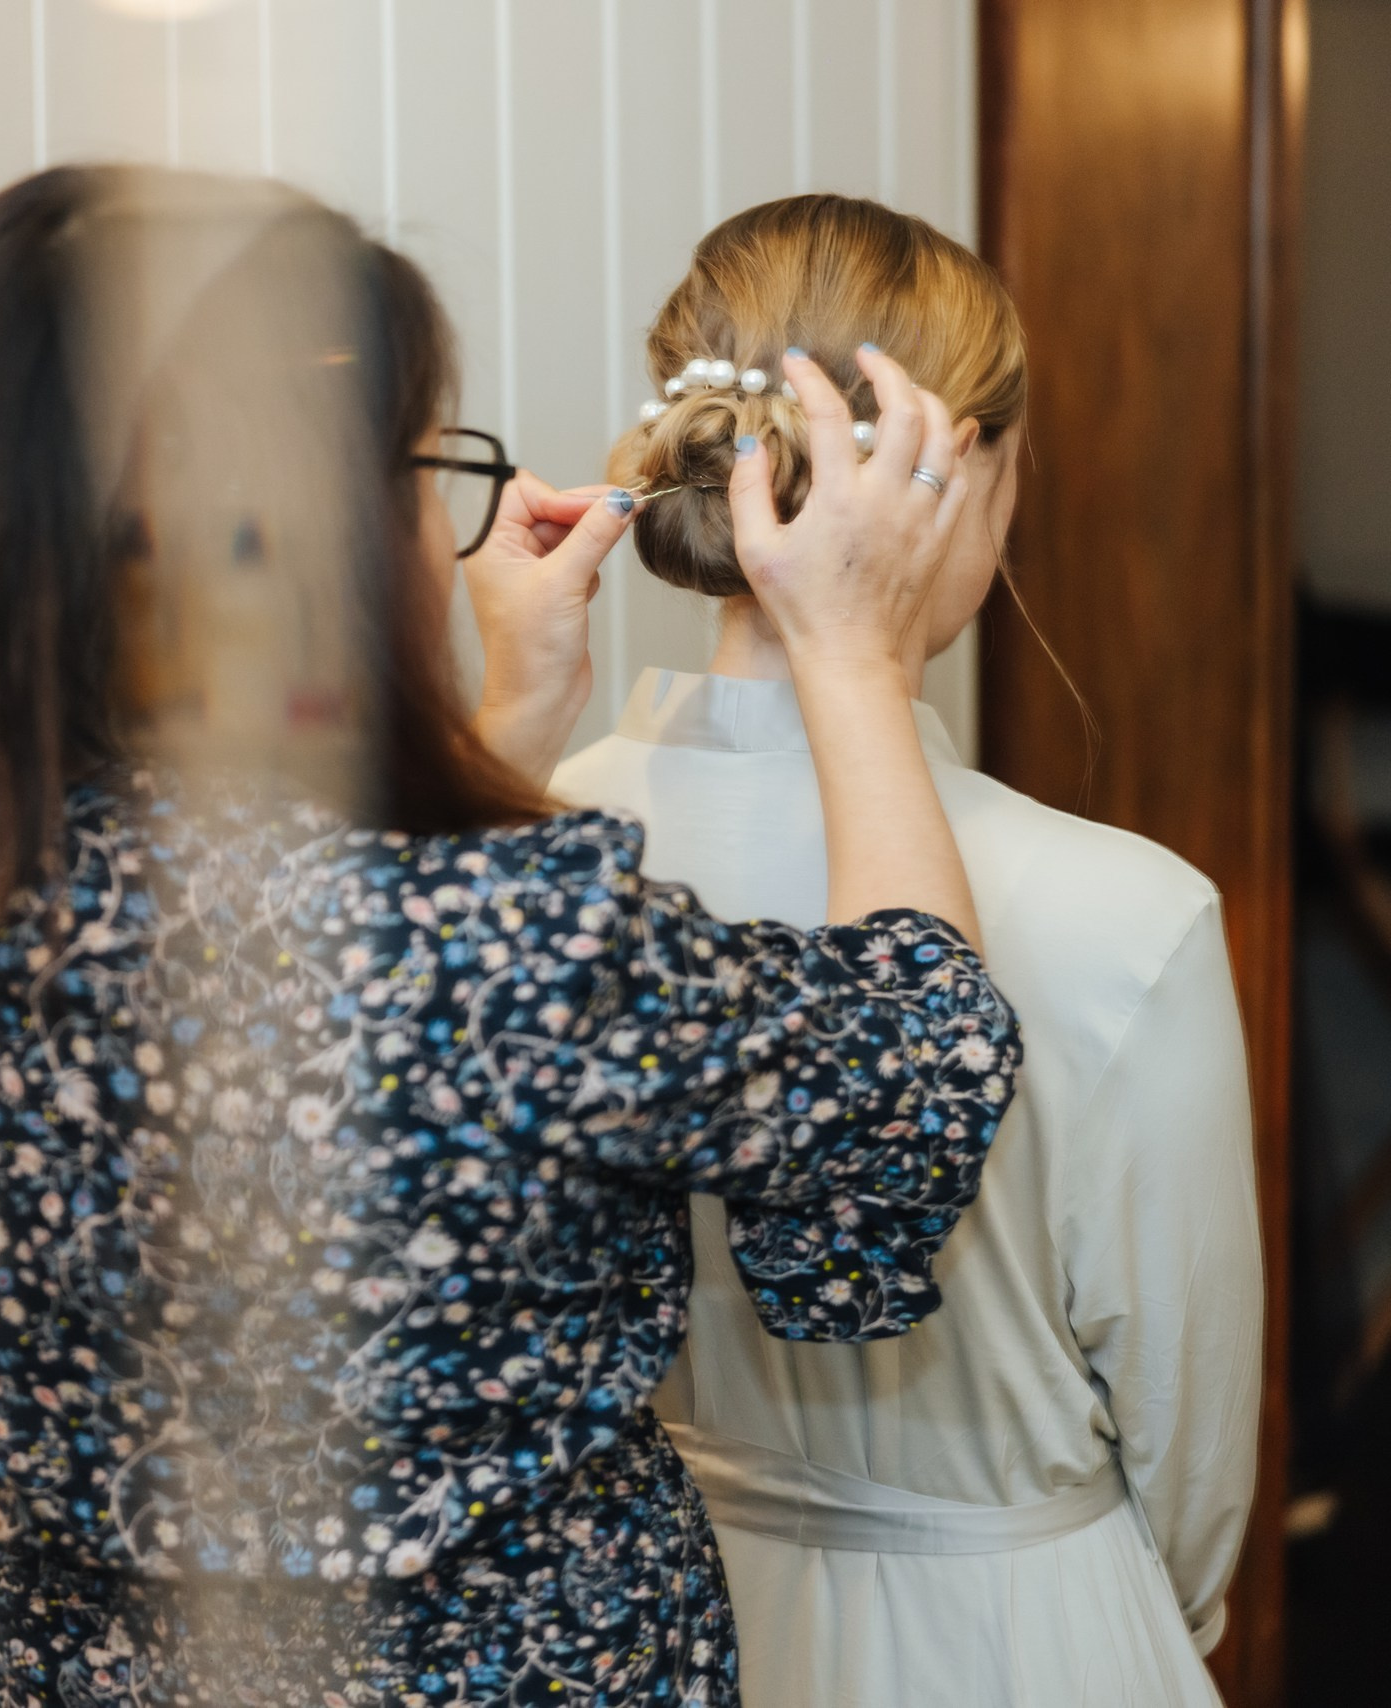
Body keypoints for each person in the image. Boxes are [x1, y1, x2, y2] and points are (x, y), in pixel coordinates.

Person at [0, 165, 1021, 1705]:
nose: (443, 543)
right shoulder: (512, 944)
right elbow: (902, 1100)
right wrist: (852, 649)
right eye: (420, 481)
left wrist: (500, 726)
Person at [552, 193, 1261, 1707]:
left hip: (639, 1613)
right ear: (951, 475)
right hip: (1022, 1633)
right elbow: (1193, 1467)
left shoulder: (523, 862)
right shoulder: (1126, 914)